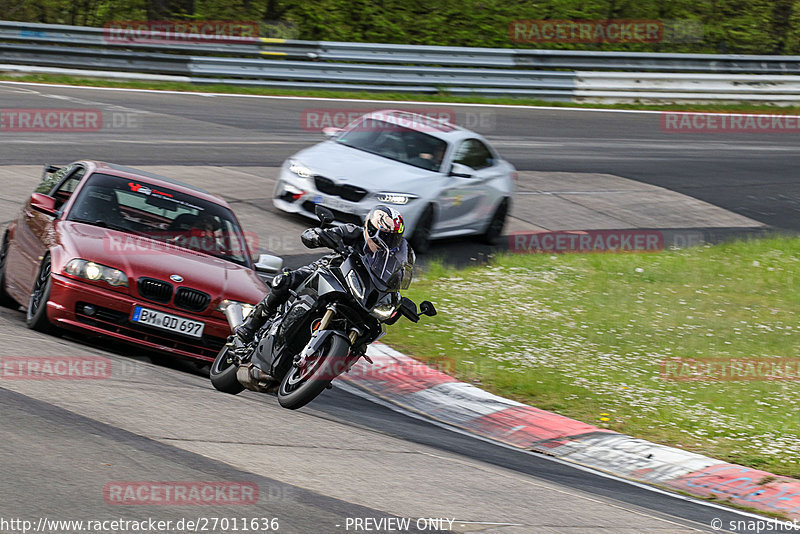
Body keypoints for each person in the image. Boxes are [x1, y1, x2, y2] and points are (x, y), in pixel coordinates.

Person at [234, 205, 407, 343]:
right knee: (285, 281)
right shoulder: (352, 232)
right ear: (370, 228)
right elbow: (313, 234)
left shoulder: (390, 258)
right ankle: (250, 326)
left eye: (392, 239)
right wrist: (318, 236)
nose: (386, 243)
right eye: (384, 236)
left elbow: (394, 279)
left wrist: (401, 301)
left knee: (373, 327)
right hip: (327, 272)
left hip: (357, 292)